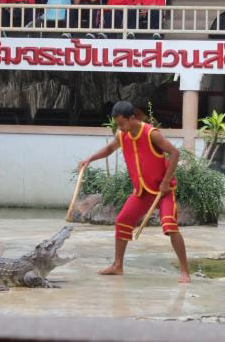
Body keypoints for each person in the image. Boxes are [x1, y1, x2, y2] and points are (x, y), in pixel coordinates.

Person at [78, 100, 190, 284]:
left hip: (163, 191)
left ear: (132, 118)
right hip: (142, 191)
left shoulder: (151, 134)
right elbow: (109, 149)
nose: (120, 128)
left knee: (169, 226)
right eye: (117, 125)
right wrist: (89, 159)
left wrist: (165, 181)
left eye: (122, 124)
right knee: (122, 220)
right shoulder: (123, 135)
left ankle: (185, 271)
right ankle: (117, 265)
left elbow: (174, 153)